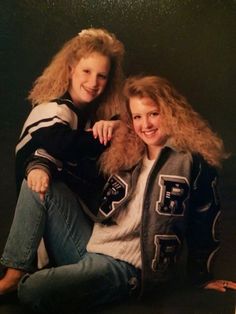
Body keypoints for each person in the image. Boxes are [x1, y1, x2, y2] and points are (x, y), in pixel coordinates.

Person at [1, 75, 235, 312]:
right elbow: (71, 159)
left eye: (154, 113)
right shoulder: (126, 149)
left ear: (171, 111)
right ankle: (13, 273)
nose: (146, 124)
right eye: (137, 117)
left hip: (126, 268)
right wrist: (41, 165)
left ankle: (53, 282)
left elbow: (205, 221)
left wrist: (201, 277)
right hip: (90, 245)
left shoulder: (192, 163)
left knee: (32, 290)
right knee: (40, 183)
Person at [15, 27, 125, 203]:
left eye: (102, 76)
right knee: (37, 187)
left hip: (83, 218)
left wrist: (117, 126)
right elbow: (62, 145)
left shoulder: (96, 117)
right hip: (47, 208)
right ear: (71, 69)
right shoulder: (51, 108)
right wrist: (114, 135)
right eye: (86, 71)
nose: (93, 82)